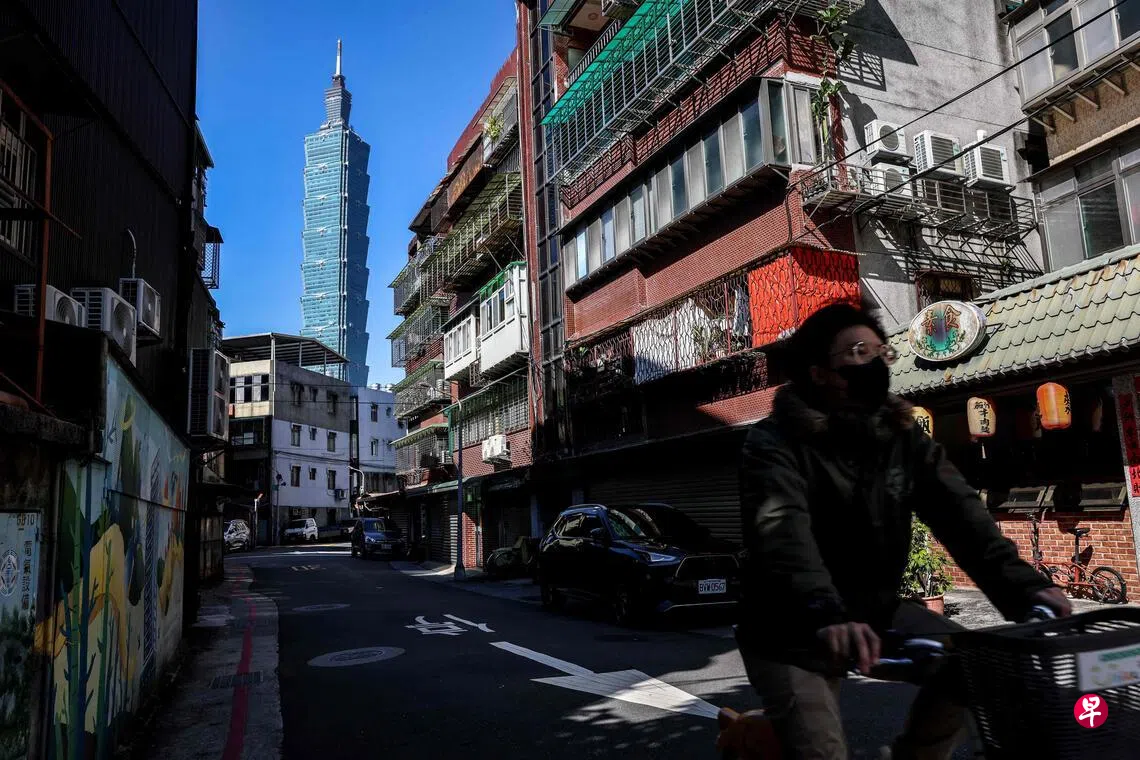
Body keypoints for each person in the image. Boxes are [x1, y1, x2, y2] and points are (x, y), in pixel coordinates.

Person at [736, 302, 1071, 760]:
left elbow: (960, 514)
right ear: (819, 372)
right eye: (858, 352)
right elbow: (781, 531)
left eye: (881, 352)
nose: (874, 363)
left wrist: (1027, 588)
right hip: (788, 624)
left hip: (874, 610)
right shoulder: (773, 442)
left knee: (972, 665)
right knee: (820, 749)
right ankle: (758, 738)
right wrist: (824, 610)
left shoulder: (901, 437)